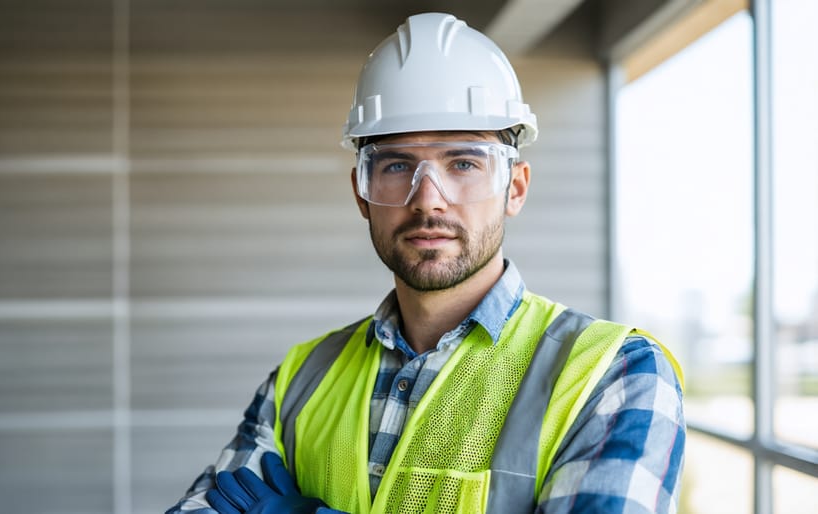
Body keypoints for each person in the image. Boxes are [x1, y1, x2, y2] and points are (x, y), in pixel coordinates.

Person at [167, 11, 685, 514]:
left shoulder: (613, 376)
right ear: (361, 193)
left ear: (515, 187)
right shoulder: (300, 380)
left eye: (463, 163)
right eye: (397, 166)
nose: (428, 200)